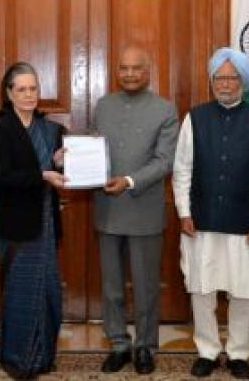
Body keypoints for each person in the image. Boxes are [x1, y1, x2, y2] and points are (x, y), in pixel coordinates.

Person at [172, 48, 249, 379]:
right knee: (202, 289)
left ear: (243, 82)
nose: (225, 84)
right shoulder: (195, 118)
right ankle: (207, 350)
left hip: (244, 222)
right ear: (211, 81)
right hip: (201, 220)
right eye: (219, 78)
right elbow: (182, 170)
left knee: (243, 291)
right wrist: (184, 211)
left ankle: (239, 352)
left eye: (232, 78)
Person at [91, 46, 179, 375]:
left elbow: (165, 161)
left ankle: (145, 346)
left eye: (136, 68)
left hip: (144, 211)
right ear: (117, 71)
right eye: (123, 68)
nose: (129, 74)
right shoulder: (104, 105)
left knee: (145, 287)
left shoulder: (165, 109)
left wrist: (129, 180)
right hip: (107, 210)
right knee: (112, 286)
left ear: (148, 71)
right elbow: (94, 149)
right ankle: (118, 343)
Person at [0, 62, 67, 379]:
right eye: (21, 89)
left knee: (48, 292)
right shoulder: (1, 130)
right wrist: (43, 174)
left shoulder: (52, 130)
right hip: (16, 225)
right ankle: (18, 359)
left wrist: (59, 163)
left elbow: (60, 171)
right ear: (9, 93)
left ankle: (43, 356)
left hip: (46, 222)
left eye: (33, 88)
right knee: (20, 293)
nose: (28, 94)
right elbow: (5, 176)